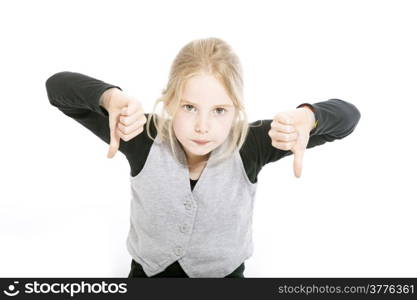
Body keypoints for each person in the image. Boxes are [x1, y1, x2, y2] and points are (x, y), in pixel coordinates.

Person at [45, 37, 361, 278]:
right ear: (169, 103)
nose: (202, 126)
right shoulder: (143, 135)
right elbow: (57, 87)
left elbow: (349, 117)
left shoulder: (250, 143)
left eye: (219, 111)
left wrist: (310, 117)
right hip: (148, 274)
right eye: (189, 107)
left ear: (236, 109)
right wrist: (109, 97)